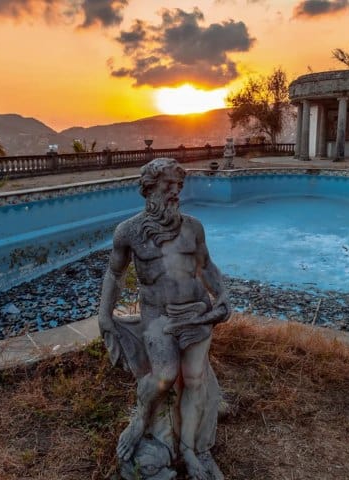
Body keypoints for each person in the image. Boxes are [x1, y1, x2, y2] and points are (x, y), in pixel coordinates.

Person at [99, 157, 231, 480]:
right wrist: (104, 314)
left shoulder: (193, 228)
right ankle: (139, 422)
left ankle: (192, 449)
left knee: (196, 380)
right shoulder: (128, 232)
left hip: (197, 315)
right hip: (158, 319)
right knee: (165, 375)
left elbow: (207, 267)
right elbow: (114, 275)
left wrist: (223, 294)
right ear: (149, 190)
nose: (175, 193)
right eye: (167, 186)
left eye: (179, 187)